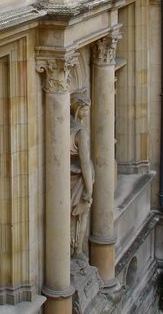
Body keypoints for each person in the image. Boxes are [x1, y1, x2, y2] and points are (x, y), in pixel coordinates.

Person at [70, 93, 95, 260]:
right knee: (81, 216)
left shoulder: (68, 125)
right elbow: (85, 164)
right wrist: (89, 189)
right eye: (85, 110)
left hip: (72, 177)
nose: (86, 113)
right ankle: (77, 250)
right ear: (78, 109)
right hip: (80, 181)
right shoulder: (81, 134)